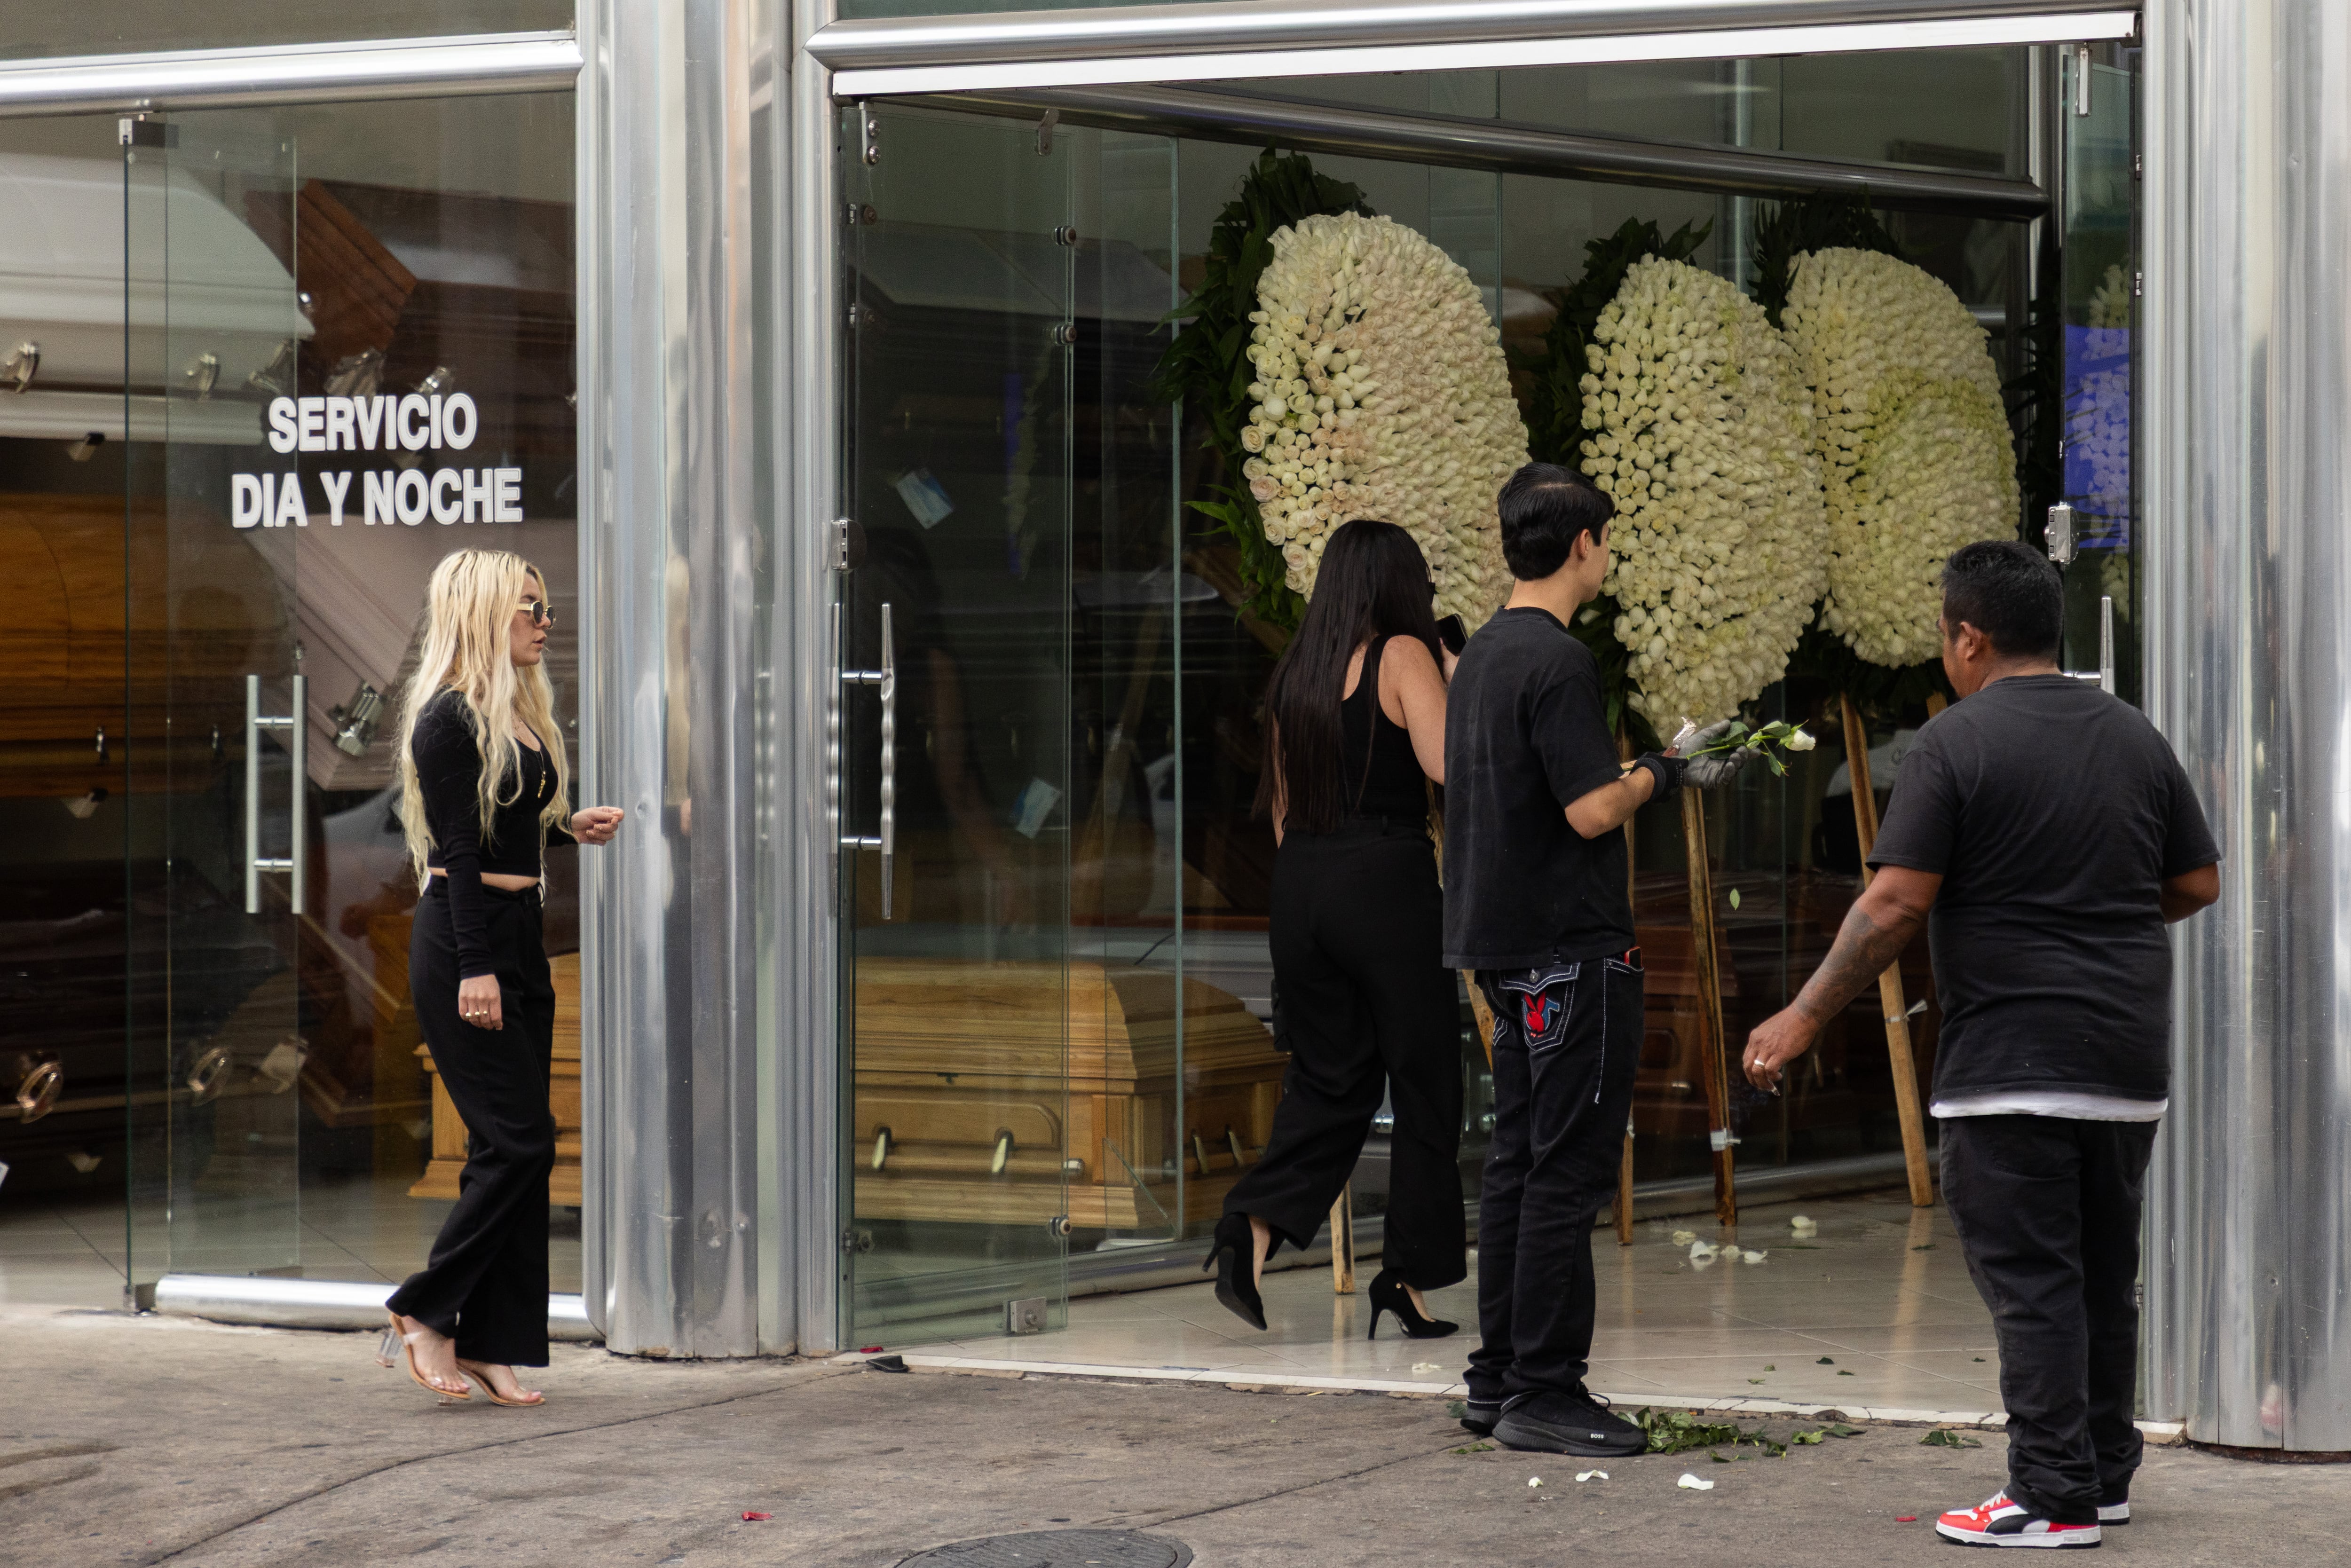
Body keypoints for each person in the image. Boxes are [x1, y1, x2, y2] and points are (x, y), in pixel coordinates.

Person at [1744, 540, 2220, 1548]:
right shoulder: (2133, 736)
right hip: (2125, 1060)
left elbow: (1893, 903)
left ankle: (2051, 1498)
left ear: (1969, 637)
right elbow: (2196, 884)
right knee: (2098, 1273)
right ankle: (2099, 1470)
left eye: (1942, 636)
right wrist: (2095, 918)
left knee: (2035, 1282)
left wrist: (1801, 1015)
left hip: (2010, 1065)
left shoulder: (1954, 745)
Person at [1443, 463, 1752, 1456]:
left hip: (1501, 943)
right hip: (1569, 948)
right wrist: (1665, 771)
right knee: (1565, 1167)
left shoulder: (1482, 652)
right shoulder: (1559, 663)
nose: (1606, 555)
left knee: (1521, 1162)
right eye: (1605, 541)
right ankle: (1544, 1388)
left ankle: (1498, 1378)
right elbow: (1588, 808)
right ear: (1583, 546)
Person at [1202, 519, 1465, 1341]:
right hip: (1382, 881)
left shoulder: (1298, 673)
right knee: (1426, 1082)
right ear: (1397, 583)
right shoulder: (1403, 657)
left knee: (1331, 1077)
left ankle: (1251, 1226)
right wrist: (1457, 674)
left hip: (1303, 886)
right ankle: (1409, 1278)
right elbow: (1448, 766)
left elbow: (1281, 814)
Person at [378, 550, 625, 1406]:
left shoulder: (520, 714)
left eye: (546, 608)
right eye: (529, 609)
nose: (544, 622)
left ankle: (492, 1341)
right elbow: (456, 854)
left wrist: (570, 828)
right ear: (484, 615)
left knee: (515, 1146)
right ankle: (423, 1311)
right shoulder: (447, 720)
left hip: (518, 938)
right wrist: (475, 971)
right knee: (520, 1141)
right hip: (464, 939)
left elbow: (508, 828)